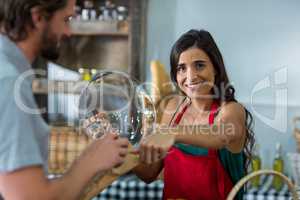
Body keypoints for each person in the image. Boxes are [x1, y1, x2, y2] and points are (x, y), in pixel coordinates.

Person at [0, 0, 129, 199]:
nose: (68, 32)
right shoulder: (8, 81)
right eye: (66, 19)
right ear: (38, 17)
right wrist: (91, 159)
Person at [133, 29, 255, 200]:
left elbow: (220, 135)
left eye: (199, 65)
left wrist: (171, 132)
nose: (190, 76)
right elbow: (149, 173)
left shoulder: (231, 110)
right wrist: (122, 150)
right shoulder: (173, 107)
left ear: (215, 69)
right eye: (181, 68)